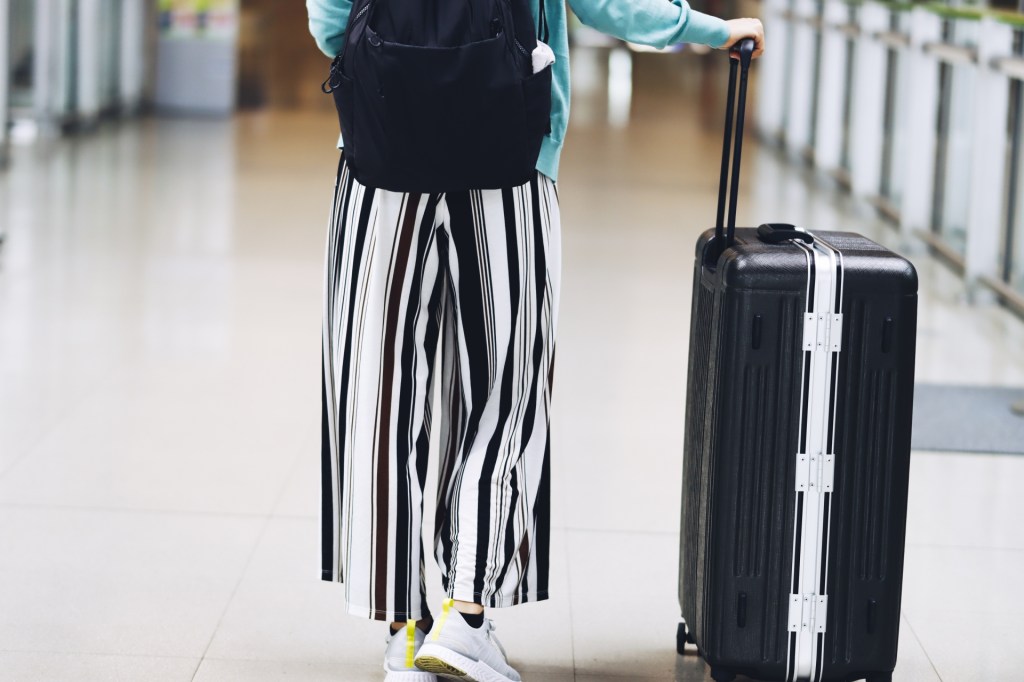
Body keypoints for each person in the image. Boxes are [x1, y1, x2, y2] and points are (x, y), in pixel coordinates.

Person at [306, 0, 764, 679]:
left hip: (381, 158)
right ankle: (465, 616)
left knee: (381, 392)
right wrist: (711, 29)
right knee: (506, 392)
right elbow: (607, 4)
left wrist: (405, 66)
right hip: (507, 159)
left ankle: (403, 628)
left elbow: (328, 24)